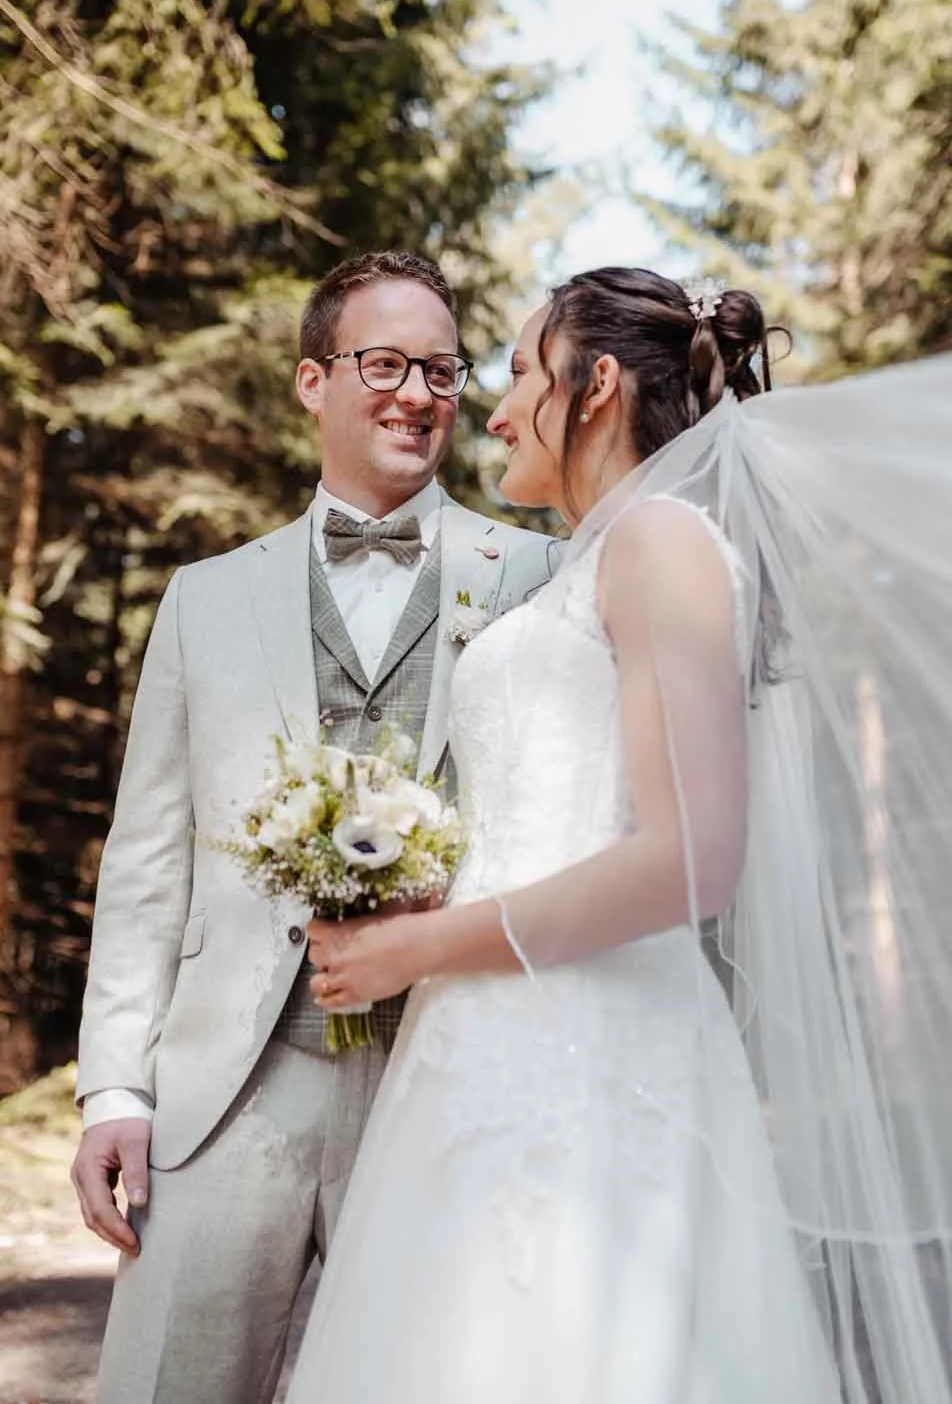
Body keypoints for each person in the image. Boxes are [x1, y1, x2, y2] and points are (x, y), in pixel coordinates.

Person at [288, 268, 952, 1404]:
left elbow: (689, 856)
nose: (490, 412)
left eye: (512, 373)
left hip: (594, 1069)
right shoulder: (598, 561)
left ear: (592, 383)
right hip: (484, 1055)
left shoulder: (661, 542)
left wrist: (417, 948)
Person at [71, 249, 559, 1404]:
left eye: (439, 369)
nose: (416, 394)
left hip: (451, 1073)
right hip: (233, 1081)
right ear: (311, 380)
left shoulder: (540, 571)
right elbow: (149, 863)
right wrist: (115, 1091)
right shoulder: (204, 596)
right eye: (383, 362)